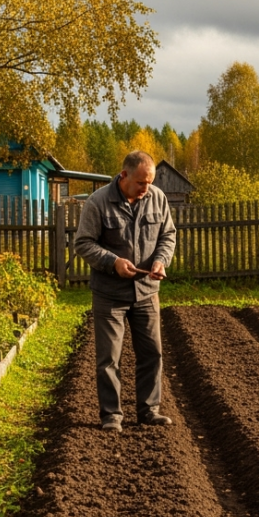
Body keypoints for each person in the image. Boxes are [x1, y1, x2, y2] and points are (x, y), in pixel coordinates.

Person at [74, 150, 177, 432]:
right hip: (109, 293)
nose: (147, 188)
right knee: (109, 357)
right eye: (142, 182)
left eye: (150, 182)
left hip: (146, 292)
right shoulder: (98, 202)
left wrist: (160, 260)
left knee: (152, 353)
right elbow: (83, 243)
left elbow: (168, 235)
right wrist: (113, 262)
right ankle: (111, 415)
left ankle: (149, 410)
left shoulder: (157, 198)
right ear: (124, 176)